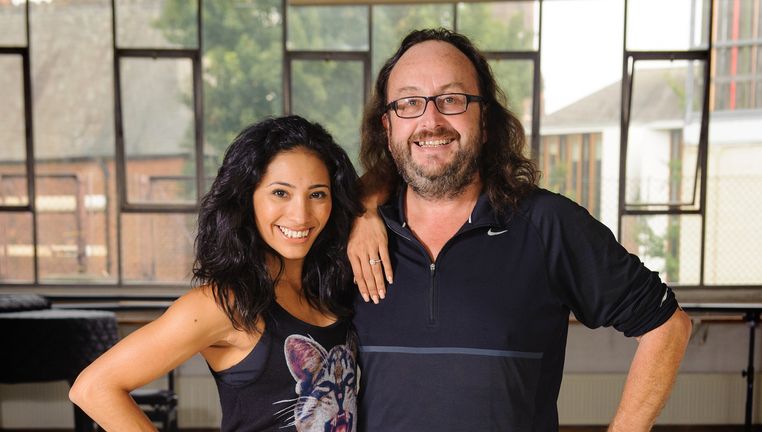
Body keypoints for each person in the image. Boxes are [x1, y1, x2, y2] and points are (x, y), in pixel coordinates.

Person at [346, 28, 692, 431]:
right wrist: (357, 208)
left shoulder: (547, 225)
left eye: (452, 99)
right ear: (387, 128)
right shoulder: (350, 235)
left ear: (486, 120)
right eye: (409, 103)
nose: (431, 120)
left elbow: (667, 326)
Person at [70, 116, 362, 432]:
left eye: (317, 194)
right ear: (246, 198)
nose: (301, 214)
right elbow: (93, 388)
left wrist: (369, 216)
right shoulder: (222, 304)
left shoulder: (332, 289)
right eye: (280, 193)